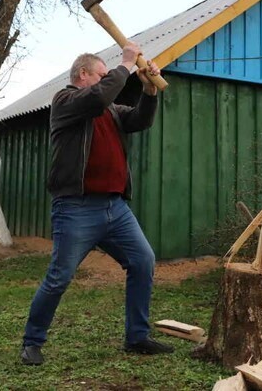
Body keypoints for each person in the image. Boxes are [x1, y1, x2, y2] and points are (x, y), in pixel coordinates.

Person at [20, 42, 173, 366]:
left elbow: (140, 121)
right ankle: (32, 342)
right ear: (84, 74)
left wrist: (148, 90)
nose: (108, 81)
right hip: (76, 207)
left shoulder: (111, 111)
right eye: (102, 75)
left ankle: (137, 337)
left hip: (115, 209)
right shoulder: (65, 101)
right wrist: (127, 63)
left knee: (143, 260)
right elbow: (99, 95)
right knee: (59, 277)